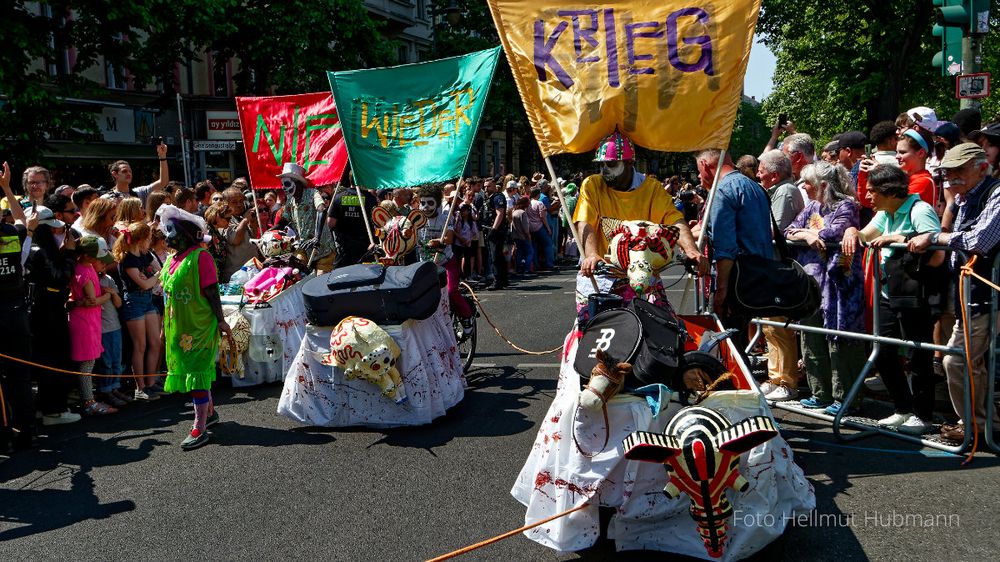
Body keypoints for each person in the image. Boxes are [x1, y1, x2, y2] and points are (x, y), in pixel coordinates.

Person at [908, 143, 1000, 442]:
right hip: (971, 293)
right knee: (972, 361)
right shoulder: (962, 199)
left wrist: (934, 236)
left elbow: (980, 241)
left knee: (957, 360)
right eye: (947, 171)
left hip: (987, 294)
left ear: (982, 168)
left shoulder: (995, 194)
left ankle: (974, 424)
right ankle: (984, 422)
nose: (951, 177)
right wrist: (950, 202)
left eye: (959, 170)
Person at [843, 165, 943, 433]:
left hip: (915, 293)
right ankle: (902, 408)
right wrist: (852, 232)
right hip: (889, 292)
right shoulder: (884, 213)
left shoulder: (919, 211)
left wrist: (904, 242)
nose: (868, 196)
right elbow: (866, 233)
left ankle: (923, 416)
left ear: (888, 191)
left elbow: (937, 252)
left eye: (872, 190)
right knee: (884, 351)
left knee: (917, 354)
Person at [575, 130, 703, 325]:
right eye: (601, 165)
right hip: (600, 277)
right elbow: (585, 222)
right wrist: (591, 255)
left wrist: (691, 250)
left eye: (610, 164)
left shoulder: (652, 188)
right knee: (589, 333)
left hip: (643, 275)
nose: (604, 171)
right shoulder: (592, 185)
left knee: (666, 327)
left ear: (628, 163)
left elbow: (674, 220)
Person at [784, 162, 866, 415]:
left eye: (808, 183)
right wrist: (807, 235)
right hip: (811, 285)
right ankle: (820, 392)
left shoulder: (846, 206)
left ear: (823, 185)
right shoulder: (811, 207)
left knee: (839, 338)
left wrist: (805, 232)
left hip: (838, 284)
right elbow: (788, 231)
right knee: (811, 337)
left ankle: (845, 397)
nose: (804, 187)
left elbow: (834, 232)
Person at [158, 205, 231, 450]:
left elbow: (212, 293)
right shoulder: (171, 259)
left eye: (171, 232)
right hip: (178, 327)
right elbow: (167, 295)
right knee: (192, 371)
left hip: (199, 326)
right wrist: (163, 325)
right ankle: (209, 412)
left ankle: (199, 426)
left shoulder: (201, 257)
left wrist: (221, 320)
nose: (167, 236)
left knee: (198, 374)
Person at [697, 148, 773, 346]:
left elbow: (726, 246)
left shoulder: (723, 190)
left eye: (699, 170)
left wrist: (721, 291)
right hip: (759, 275)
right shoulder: (755, 187)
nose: (699, 176)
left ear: (705, 165)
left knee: (728, 345)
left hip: (737, 280)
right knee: (738, 340)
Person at [754, 150, 805, 401]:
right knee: (770, 327)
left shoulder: (785, 192)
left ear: (774, 175)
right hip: (769, 266)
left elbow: (775, 229)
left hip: (778, 266)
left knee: (780, 327)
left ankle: (787, 380)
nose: (757, 174)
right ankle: (775, 377)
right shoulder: (775, 191)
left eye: (761, 170)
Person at [25, 206, 81, 425]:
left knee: (45, 359)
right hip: (47, 313)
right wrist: (69, 254)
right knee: (54, 358)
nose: (59, 233)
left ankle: (44, 407)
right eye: (54, 229)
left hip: (40, 311)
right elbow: (58, 278)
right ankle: (53, 410)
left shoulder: (34, 248)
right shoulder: (39, 250)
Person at [0, 161, 38, 450]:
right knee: (20, 376)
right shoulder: (11, 233)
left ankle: (5, 435)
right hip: (16, 314)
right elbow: (23, 221)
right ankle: (26, 430)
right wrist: (6, 188)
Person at [113, 221, 163, 401]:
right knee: (140, 346)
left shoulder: (145, 254)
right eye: (149, 238)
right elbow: (146, 282)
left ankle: (150, 383)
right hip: (133, 301)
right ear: (141, 239)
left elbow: (160, 270)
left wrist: (152, 277)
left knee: (155, 343)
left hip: (147, 300)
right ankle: (140, 387)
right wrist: (153, 277)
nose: (150, 241)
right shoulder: (127, 259)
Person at [70, 236, 118, 415]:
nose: (101, 262)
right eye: (98, 258)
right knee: (87, 364)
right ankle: (89, 402)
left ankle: (89, 399)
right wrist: (109, 295)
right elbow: (91, 301)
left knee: (88, 363)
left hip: (90, 320)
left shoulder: (87, 267)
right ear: (89, 257)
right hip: (85, 321)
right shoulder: (83, 271)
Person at [415, 184, 474, 325]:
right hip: (426, 265)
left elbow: (449, 238)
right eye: (422, 203)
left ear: (437, 202)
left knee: (451, 291)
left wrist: (438, 241)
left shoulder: (445, 218)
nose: (426, 207)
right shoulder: (416, 219)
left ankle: (467, 317)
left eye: (430, 203)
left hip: (446, 263)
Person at [94, 256, 130, 407]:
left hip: (115, 326)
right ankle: (106, 390)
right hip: (102, 329)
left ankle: (115, 387)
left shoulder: (108, 279)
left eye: (105, 262)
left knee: (117, 359)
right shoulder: (92, 280)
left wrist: (112, 293)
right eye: (100, 261)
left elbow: (119, 303)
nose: (104, 264)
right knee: (106, 362)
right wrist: (106, 295)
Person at [327, 182, 377, 268]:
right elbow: (377, 223)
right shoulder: (370, 198)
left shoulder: (338, 197)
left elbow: (330, 223)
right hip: (366, 248)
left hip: (345, 248)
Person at [108, 141, 168, 205]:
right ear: (114, 174)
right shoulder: (106, 199)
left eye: (130, 171)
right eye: (124, 171)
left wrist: (162, 156)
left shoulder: (140, 193)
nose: (129, 174)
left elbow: (163, 182)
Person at [221, 187, 261, 280]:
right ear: (225, 203)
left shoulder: (241, 217)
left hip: (251, 273)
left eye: (241, 201)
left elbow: (253, 237)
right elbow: (236, 240)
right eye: (234, 202)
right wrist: (246, 220)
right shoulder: (224, 220)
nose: (239, 204)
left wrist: (253, 221)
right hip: (236, 276)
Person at [478, 178, 508, 290]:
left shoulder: (498, 197)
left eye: (488, 186)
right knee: (497, 255)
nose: (486, 188)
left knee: (495, 256)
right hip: (489, 228)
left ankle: (498, 281)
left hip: (496, 230)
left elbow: (500, 214)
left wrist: (494, 229)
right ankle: (503, 280)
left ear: (494, 186)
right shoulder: (488, 198)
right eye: (485, 186)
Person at [510, 196, 534, 274]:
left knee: (519, 252)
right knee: (530, 252)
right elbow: (525, 227)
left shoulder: (514, 212)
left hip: (516, 236)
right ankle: (526, 268)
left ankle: (518, 268)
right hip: (523, 236)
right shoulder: (522, 213)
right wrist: (528, 235)